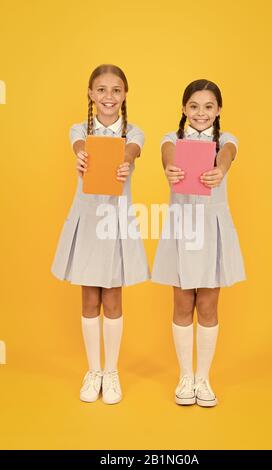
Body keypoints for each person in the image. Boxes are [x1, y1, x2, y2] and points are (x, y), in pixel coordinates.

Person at [51, 64, 150, 404]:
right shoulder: (78, 130)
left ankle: (112, 371)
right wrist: (81, 154)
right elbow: (78, 143)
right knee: (89, 298)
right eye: (102, 90)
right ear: (91, 94)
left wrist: (125, 160)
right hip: (87, 220)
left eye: (116, 90)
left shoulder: (134, 133)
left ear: (125, 95)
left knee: (113, 298)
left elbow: (131, 150)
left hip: (116, 222)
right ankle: (93, 371)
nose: (109, 96)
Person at [151, 79, 246, 407]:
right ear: (183, 109)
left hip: (212, 228)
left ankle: (204, 379)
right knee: (181, 304)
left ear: (218, 110)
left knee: (207, 305)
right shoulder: (172, 139)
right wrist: (168, 168)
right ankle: (185, 376)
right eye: (194, 106)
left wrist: (220, 169)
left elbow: (229, 155)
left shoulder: (226, 139)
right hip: (182, 228)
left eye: (208, 107)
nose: (201, 113)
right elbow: (166, 153)